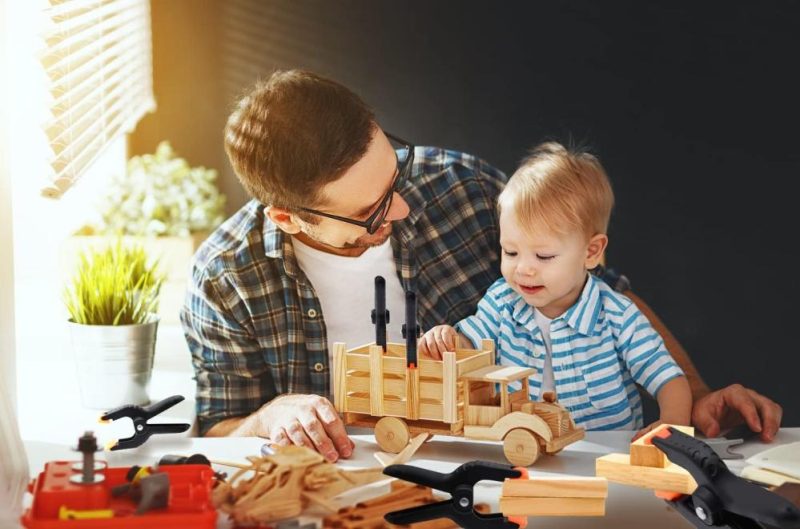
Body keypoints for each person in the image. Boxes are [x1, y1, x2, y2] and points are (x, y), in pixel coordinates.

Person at [181, 69, 782, 462]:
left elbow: (606, 294)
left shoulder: (463, 189)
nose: (405, 206)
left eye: (397, 173)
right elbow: (215, 430)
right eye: (372, 212)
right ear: (289, 218)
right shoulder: (226, 281)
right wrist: (269, 415)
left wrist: (695, 392)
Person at [418, 142, 691, 437]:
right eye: (510, 252)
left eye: (544, 256)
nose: (523, 268)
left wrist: (671, 423)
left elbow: (669, 380)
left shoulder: (617, 315)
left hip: (603, 458)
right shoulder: (501, 302)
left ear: (591, 252)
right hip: (523, 449)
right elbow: (470, 345)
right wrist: (446, 340)